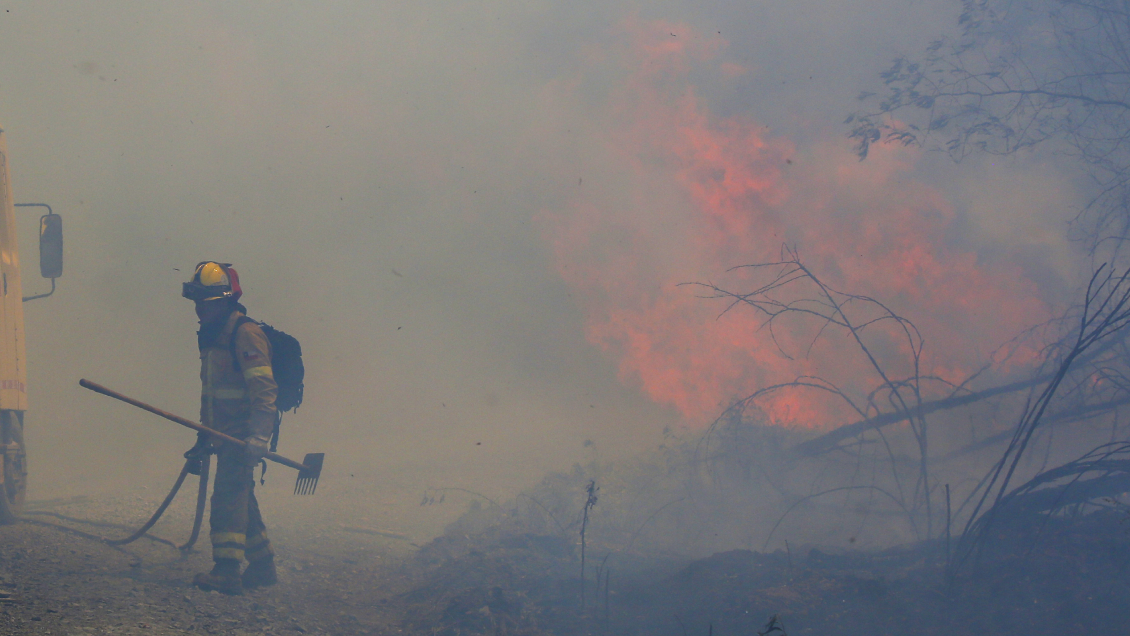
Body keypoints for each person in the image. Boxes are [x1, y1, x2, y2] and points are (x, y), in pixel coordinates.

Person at [182, 261, 278, 595]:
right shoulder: (213, 337)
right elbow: (211, 394)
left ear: (225, 301)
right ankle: (263, 565)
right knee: (240, 496)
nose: (199, 309)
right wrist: (203, 435)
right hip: (222, 432)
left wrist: (260, 435)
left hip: (243, 432)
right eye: (196, 301)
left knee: (227, 496)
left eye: (206, 302)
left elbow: (264, 390)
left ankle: (226, 570)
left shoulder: (245, 334)